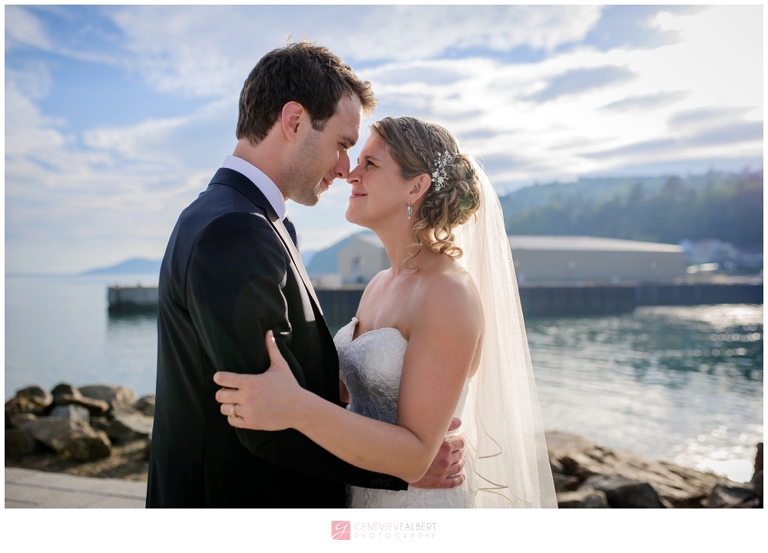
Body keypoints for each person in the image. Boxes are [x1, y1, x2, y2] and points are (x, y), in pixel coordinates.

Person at [146, 44, 464, 508]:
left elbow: (293, 392)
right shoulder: (234, 230)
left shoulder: (239, 218)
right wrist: (402, 466)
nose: (345, 169)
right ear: (293, 121)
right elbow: (263, 417)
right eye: (342, 144)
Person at [214, 116, 558, 508]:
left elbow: (415, 456)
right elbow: (352, 402)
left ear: (416, 186)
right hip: (358, 496)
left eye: (370, 165)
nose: (351, 174)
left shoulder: (448, 293)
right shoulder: (378, 285)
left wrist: (294, 406)